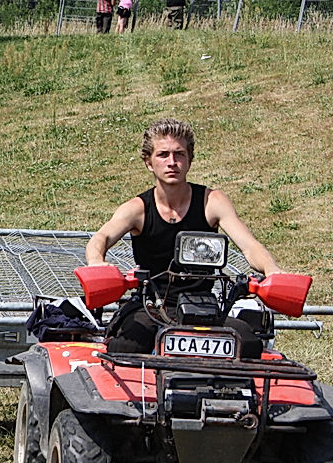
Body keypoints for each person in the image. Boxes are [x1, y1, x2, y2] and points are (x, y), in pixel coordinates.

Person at [85, 119, 281, 356]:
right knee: (126, 347)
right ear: (149, 163)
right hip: (151, 306)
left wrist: (272, 270)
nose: (172, 162)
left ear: (189, 160)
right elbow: (101, 238)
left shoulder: (212, 202)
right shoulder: (138, 208)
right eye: (163, 155)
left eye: (179, 154)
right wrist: (97, 263)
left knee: (248, 344)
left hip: (203, 305)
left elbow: (250, 246)